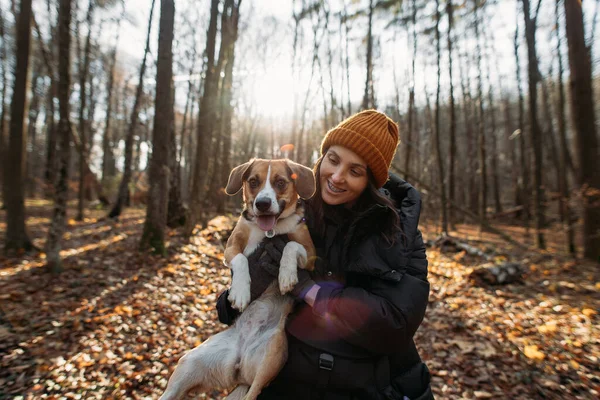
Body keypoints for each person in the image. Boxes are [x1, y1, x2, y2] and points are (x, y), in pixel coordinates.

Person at [217, 110, 433, 400]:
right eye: (333, 160)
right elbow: (228, 307)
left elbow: (395, 324)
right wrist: (242, 290)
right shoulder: (291, 210)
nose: (337, 176)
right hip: (285, 377)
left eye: (355, 171)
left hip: (364, 387)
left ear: (372, 181)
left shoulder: (399, 231)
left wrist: (310, 290)